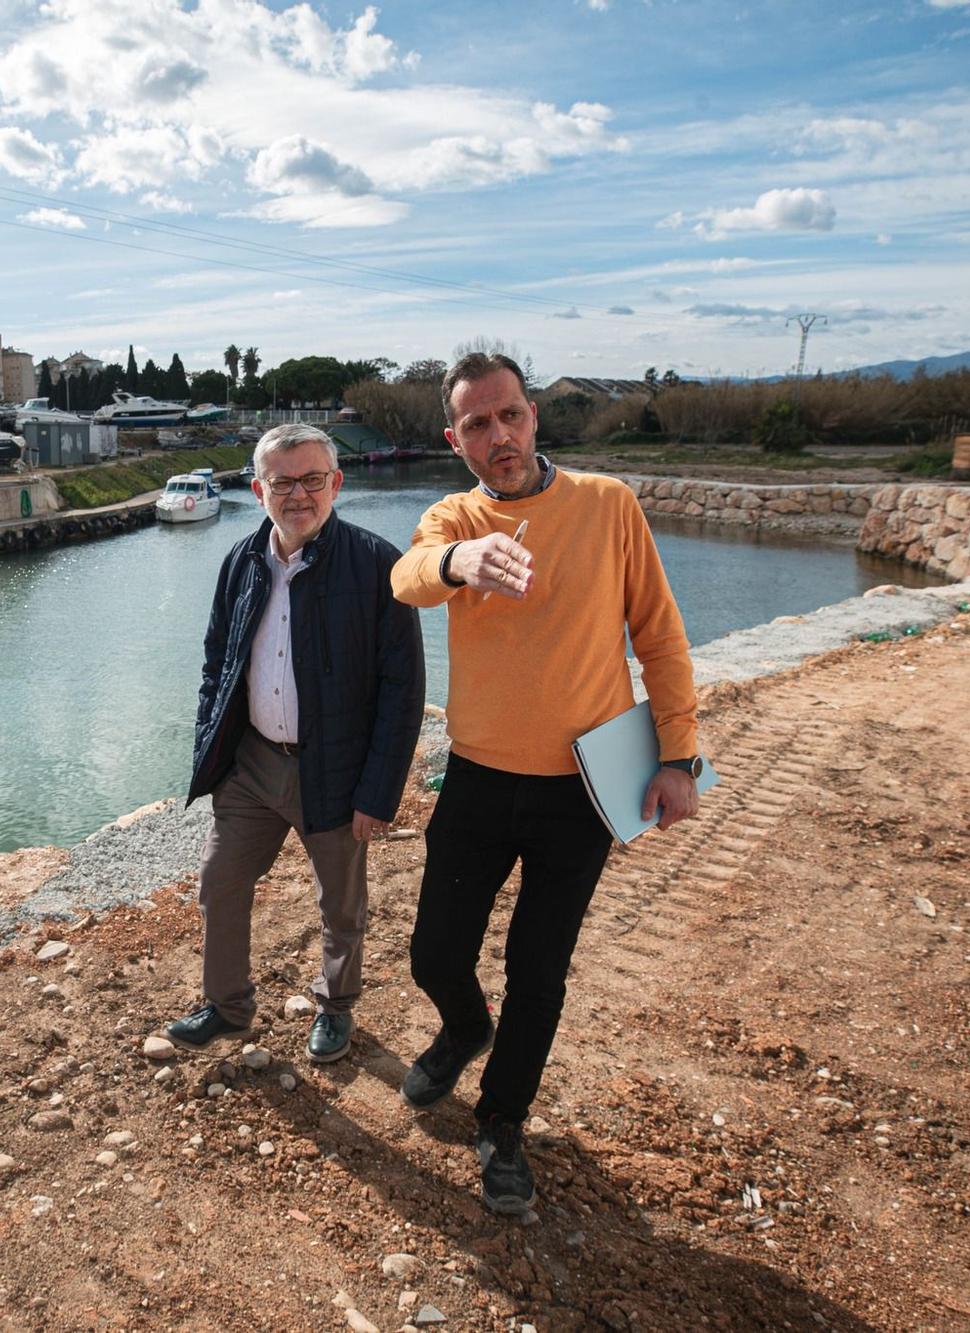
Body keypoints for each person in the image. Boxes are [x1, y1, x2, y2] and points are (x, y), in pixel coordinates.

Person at [391, 352, 702, 1214]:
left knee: (540, 970)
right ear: (456, 440)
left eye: (511, 416)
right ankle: (463, 1026)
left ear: (534, 416)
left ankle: (503, 1121)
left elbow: (662, 639)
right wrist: (462, 562)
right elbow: (406, 576)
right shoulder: (454, 516)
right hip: (478, 782)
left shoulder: (607, 505)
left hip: (581, 789)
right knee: (434, 952)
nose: (500, 436)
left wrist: (676, 757)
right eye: (479, 425)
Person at [174, 423, 425, 1063]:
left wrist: (378, 791)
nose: (298, 494)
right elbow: (216, 662)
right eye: (282, 481)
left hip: (337, 769)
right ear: (258, 489)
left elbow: (403, 691)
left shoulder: (378, 565)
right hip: (253, 764)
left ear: (335, 484)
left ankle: (336, 1007)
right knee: (219, 881)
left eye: (313, 479)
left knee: (340, 903)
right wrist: (215, 747)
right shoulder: (240, 561)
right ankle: (227, 1007)